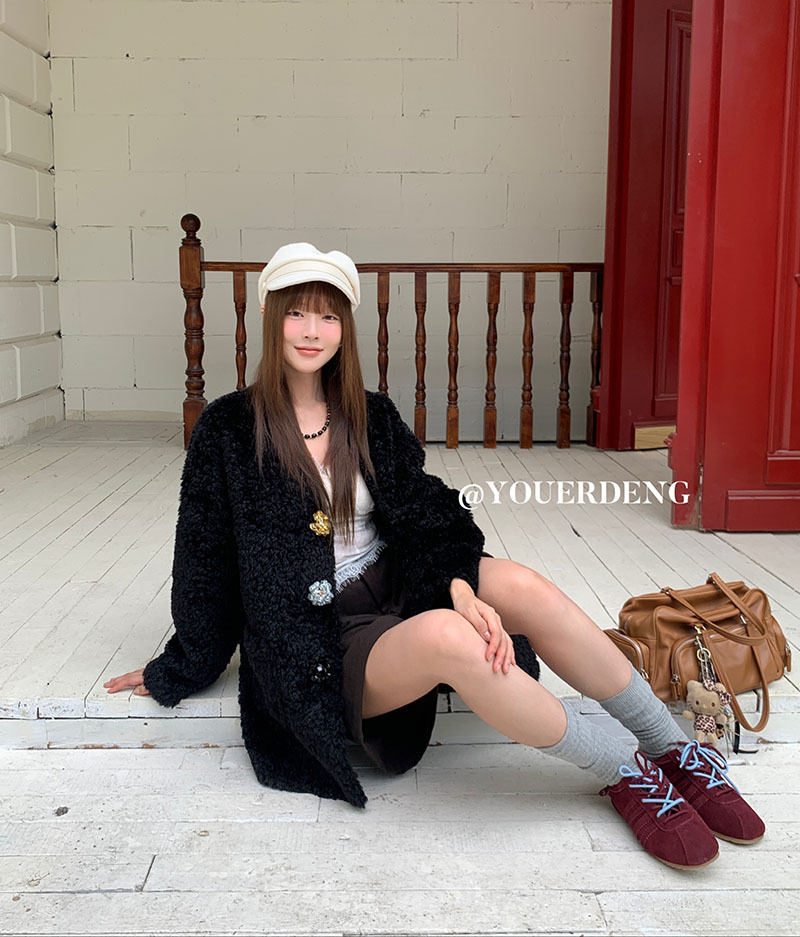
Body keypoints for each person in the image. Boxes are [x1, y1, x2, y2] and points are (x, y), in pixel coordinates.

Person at [104, 242, 765, 870]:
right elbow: (204, 559)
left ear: (344, 329)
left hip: (394, 581)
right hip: (320, 636)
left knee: (522, 585)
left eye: (328, 316)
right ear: (272, 317)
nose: (311, 330)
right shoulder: (227, 428)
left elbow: (429, 511)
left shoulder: (369, 414)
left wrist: (458, 585)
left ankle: (672, 749)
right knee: (455, 640)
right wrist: (182, 665)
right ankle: (627, 773)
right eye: (297, 312)